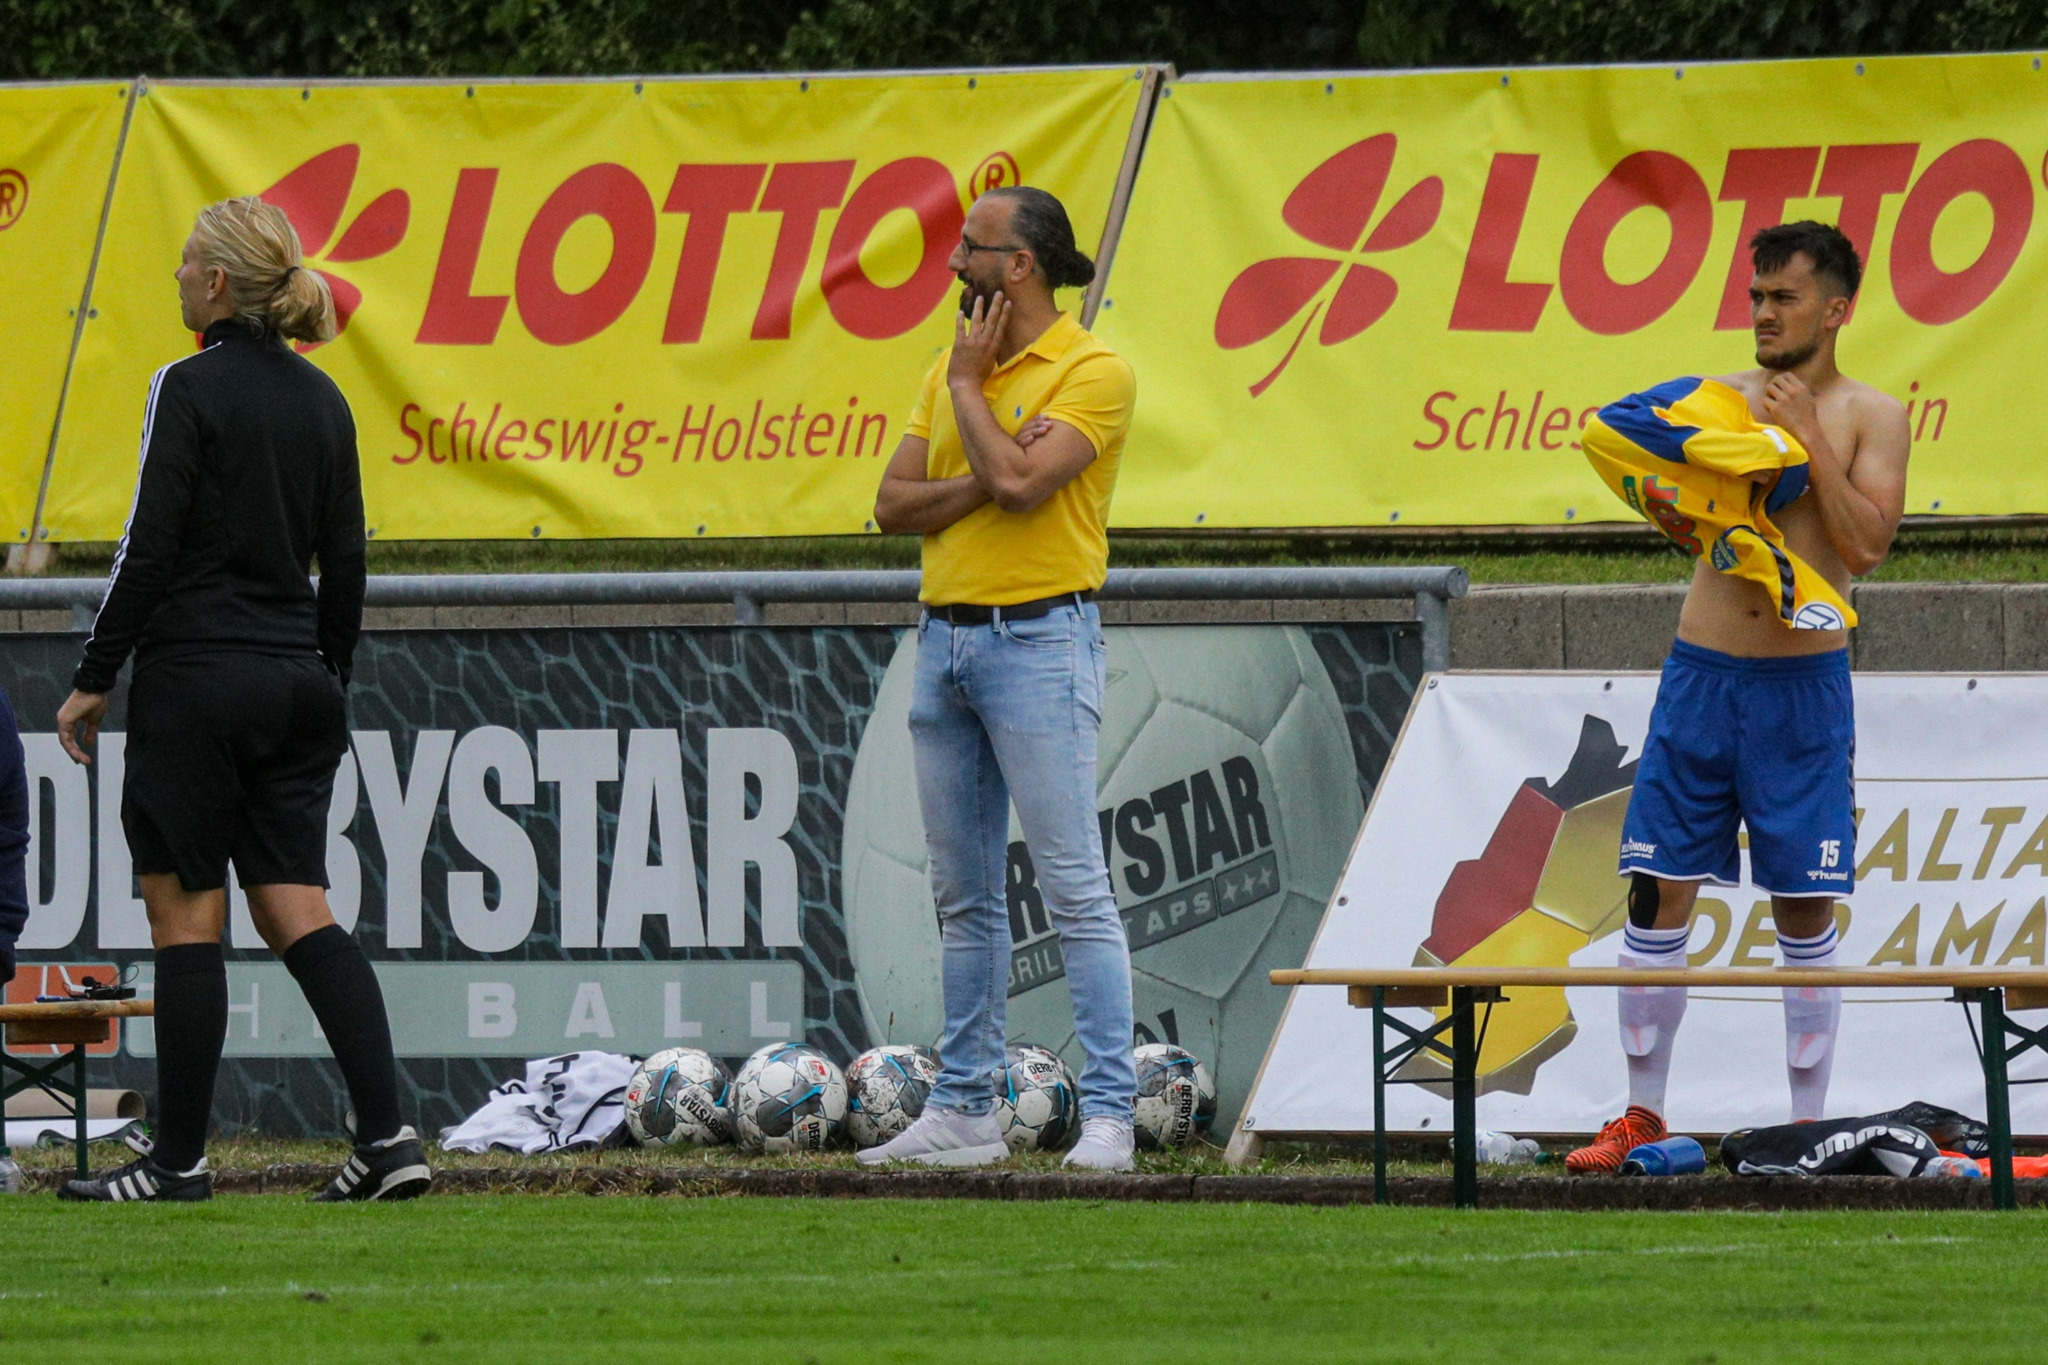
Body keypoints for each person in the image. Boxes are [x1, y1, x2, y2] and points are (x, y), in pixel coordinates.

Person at [52, 196, 429, 1202]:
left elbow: (149, 548)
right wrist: (328, 675)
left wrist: (94, 678)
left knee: (186, 924)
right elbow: (344, 562)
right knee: (300, 910)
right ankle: (388, 1138)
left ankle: (176, 1163)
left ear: (217, 284)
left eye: (185, 263)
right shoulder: (324, 401)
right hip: (296, 683)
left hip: (196, 683)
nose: (175, 275)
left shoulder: (186, 385)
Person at [1568, 221, 1911, 1173]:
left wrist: (1806, 439)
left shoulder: (1871, 414)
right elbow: (1637, 459)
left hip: (1804, 687)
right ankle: (1640, 1114)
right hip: (1702, 674)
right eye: (1756, 295)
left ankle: (1809, 1125)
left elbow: (1866, 546)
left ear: (1836, 309)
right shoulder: (1715, 400)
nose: (1762, 312)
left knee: (1803, 903)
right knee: (1656, 885)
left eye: (1785, 297)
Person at [859, 186, 1139, 1171]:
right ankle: (965, 1110)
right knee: (962, 898)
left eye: (970, 250)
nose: (953, 267)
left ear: (1017, 265)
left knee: (1070, 887)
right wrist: (986, 463)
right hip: (943, 643)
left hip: (1038, 643)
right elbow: (892, 506)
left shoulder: (1092, 370)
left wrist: (976, 405)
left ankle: (1109, 1113)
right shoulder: (943, 365)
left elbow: (1028, 489)